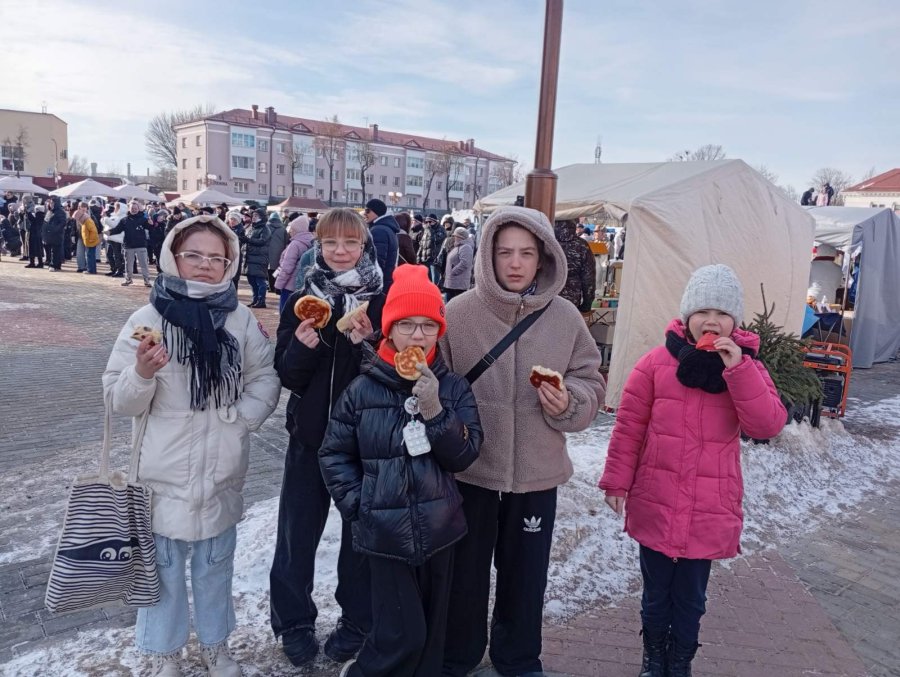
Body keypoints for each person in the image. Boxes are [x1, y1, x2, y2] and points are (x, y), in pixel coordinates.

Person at [102, 214, 281, 677]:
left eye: (216, 258)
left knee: (215, 570)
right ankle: (166, 654)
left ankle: (217, 648)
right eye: (194, 255)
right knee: (161, 574)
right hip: (161, 475)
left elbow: (264, 376)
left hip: (222, 473)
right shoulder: (146, 319)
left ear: (230, 264)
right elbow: (117, 399)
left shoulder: (240, 320)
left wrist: (241, 420)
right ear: (172, 258)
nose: (205, 265)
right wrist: (141, 373)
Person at [439, 206, 606, 677]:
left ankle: (517, 657)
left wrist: (569, 402)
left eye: (527, 253)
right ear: (488, 256)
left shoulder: (565, 317)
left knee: (526, 577)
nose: (515, 263)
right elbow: (440, 384)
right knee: (466, 575)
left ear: (544, 258)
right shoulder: (460, 313)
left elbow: (590, 381)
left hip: (536, 474)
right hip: (472, 472)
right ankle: (459, 653)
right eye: (505, 252)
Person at [599, 264, 787, 677]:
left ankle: (680, 661)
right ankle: (653, 658)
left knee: (690, 598)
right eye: (702, 311)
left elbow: (767, 425)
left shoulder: (747, 368)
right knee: (655, 594)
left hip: (708, 507)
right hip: (657, 499)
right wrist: (617, 480)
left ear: (735, 322)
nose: (711, 320)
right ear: (687, 317)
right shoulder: (654, 364)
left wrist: (739, 371)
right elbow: (630, 427)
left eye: (722, 313)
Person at [319, 264, 483, 677]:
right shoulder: (363, 389)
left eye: (428, 326)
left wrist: (435, 410)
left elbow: (465, 455)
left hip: (440, 530)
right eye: (406, 324)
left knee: (430, 636)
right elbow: (334, 453)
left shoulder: (453, 388)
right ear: (388, 329)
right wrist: (361, 505)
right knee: (400, 634)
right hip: (384, 533)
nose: (417, 335)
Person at [270, 208, 385, 667]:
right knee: (297, 534)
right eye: (331, 242)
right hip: (310, 437)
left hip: (363, 442)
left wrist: (369, 345)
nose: (340, 251)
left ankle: (356, 621)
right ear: (318, 245)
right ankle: (294, 622)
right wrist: (301, 345)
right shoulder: (301, 299)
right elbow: (286, 374)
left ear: (364, 247)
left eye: (350, 243)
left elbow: (395, 374)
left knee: (359, 537)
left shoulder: (381, 300)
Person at [274, 215, 314, 314]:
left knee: (285, 313)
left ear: (297, 230)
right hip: (302, 284)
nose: (290, 231)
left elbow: (287, 268)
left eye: (292, 229)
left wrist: (279, 285)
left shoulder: (295, 244)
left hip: (289, 285)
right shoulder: (311, 242)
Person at [554, 219, 596, 312]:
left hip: (546, 297)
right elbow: (588, 276)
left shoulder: (546, 241)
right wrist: (587, 303)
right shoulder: (582, 245)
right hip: (571, 300)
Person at [108, 199, 152, 287]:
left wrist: (151, 224)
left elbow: (150, 228)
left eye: (135, 208)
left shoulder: (143, 219)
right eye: (132, 208)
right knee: (128, 264)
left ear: (138, 209)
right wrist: (109, 232)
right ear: (129, 209)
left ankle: (147, 280)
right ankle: (128, 279)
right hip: (128, 245)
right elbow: (118, 229)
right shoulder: (124, 220)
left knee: (144, 264)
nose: (134, 210)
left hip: (141, 245)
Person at [363, 198, 400, 292]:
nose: (364, 213)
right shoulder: (386, 228)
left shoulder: (379, 230)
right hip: (386, 280)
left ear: (376, 212)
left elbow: (377, 261)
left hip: (379, 283)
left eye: (367, 211)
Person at [241, 209, 271, 308]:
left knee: (260, 281)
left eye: (256, 216)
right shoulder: (253, 228)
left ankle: (261, 300)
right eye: (253, 215)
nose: (253, 217)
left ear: (261, 217)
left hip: (259, 259)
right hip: (251, 258)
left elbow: (262, 241)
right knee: (252, 281)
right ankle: (255, 300)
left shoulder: (265, 228)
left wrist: (248, 240)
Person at [442, 226, 474, 300]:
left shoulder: (466, 247)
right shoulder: (457, 246)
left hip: (458, 284)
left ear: (460, 237)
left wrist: (453, 272)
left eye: (455, 236)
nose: (453, 238)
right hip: (452, 282)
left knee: (454, 306)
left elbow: (465, 263)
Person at [417, 214, 445, 286]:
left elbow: (435, 239)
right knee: (426, 282)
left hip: (434, 259)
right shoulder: (426, 230)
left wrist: (429, 230)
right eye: (427, 222)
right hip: (425, 259)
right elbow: (422, 244)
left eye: (431, 222)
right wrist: (418, 256)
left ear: (435, 222)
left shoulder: (441, 229)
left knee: (434, 283)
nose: (428, 224)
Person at [74, 203, 100, 274]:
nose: (83, 208)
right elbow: (74, 226)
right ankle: (81, 267)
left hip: (88, 237)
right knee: (80, 253)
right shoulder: (77, 215)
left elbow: (96, 227)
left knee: (89, 253)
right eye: (81, 207)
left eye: (84, 207)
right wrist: (73, 235)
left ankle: (90, 268)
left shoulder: (90, 216)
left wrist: (92, 236)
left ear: (87, 208)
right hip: (80, 236)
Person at [42, 197, 67, 271]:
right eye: (50, 203)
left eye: (52, 203)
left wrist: (55, 229)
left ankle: (54, 265)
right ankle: (55, 265)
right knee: (52, 250)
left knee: (55, 250)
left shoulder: (60, 212)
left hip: (56, 234)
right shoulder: (50, 211)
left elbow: (63, 223)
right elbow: (46, 221)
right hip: (48, 234)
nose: (51, 204)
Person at [267, 211, 287, 294]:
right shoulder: (283, 229)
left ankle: (271, 287)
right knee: (277, 270)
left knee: (269, 270)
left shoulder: (267, 227)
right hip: (279, 252)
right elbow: (286, 241)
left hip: (268, 251)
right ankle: (276, 287)